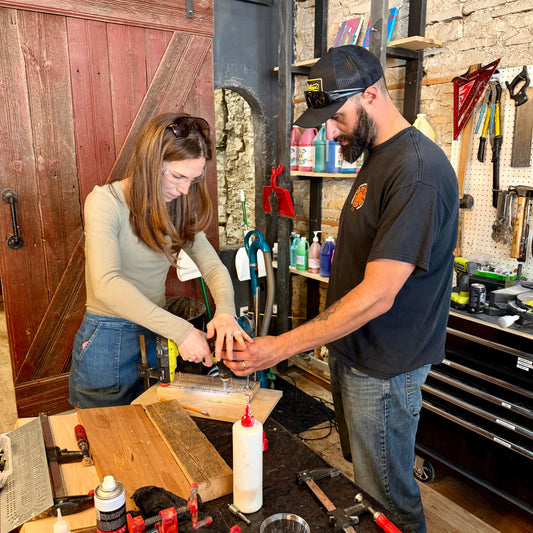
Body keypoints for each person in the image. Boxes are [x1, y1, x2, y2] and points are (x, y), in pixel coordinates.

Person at [224, 46, 459, 533]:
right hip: (356, 354)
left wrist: (280, 348)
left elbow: (378, 293)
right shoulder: (378, 157)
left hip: (386, 368)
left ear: (371, 95)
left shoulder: (417, 172)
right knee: (368, 489)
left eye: (337, 118)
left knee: (389, 498)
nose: (330, 131)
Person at [69, 112, 250, 409]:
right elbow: (106, 285)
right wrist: (182, 331)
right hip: (108, 337)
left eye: (193, 179)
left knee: (152, 434)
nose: (184, 190)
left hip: (155, 331)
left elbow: (213, 267)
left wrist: (226, 313)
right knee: (103, 439)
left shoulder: (178, 206)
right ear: (150, 164)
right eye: (178, 176)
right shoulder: (105, 202)